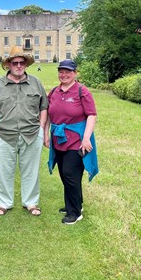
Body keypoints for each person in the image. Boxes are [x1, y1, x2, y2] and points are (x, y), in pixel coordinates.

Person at [0, 46, 48, 216]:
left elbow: (44, 107)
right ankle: (4, 203)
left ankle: (31, 203)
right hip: (4, 135)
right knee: (3, 171)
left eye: (22, 62)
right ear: (9, 65)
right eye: (15, 63)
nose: (19, 66)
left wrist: (41, 127)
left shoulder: (35, 83)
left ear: (26, 64)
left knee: (31, 170)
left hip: (32, 134)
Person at [45, 59, 98, 225]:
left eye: (68, 71)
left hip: (77, 140)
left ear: (75, 73)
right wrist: (46, 134)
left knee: (70, 173)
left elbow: (91, 115)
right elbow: (48, 114)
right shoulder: (54, 91)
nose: (64, 74)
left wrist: (86, 138)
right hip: (58, 139)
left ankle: (74, 213)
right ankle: (76, 204)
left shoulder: (82, 91)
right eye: (61, 71)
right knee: (64, 173)